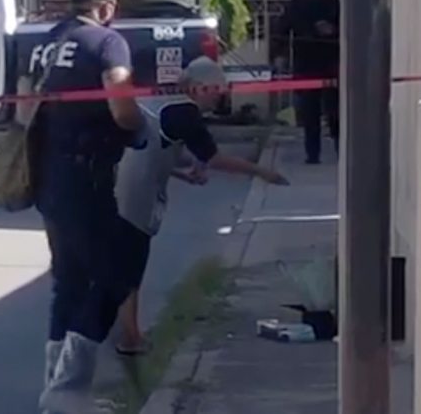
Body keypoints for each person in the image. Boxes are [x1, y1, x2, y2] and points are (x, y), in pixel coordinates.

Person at [113, 56, 290, 355]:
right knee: (130, 267)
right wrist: (262, 172)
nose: (219, 97)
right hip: (134, 196)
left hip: (119, 185)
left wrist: (184, 173)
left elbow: (158, 148)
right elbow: (214, 158)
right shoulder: (185, 112)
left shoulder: (162, 102)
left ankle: (118, 330)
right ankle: (130, 337)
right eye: (215, 91)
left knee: (121, 264)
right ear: (197, 88)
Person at [30, 0, 146, 412]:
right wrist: (138, 132)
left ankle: (56, 390)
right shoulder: (107, 42)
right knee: (117, 275)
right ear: (107, 3)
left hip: (48, 174)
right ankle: (67, 391)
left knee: (70, 281)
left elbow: (27, 107)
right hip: (88, 173)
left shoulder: (47, 41)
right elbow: (122, 109)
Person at [273, 0, 340, 164]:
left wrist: (332, 30)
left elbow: (346, 28)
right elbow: (282, 31)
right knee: (309, 113)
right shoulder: (297, 5)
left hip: (331, 62)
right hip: (305, 63)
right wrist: (280, 55)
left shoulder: (333, 4)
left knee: (335, 111)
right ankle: (312, 154)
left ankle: (340, 149)